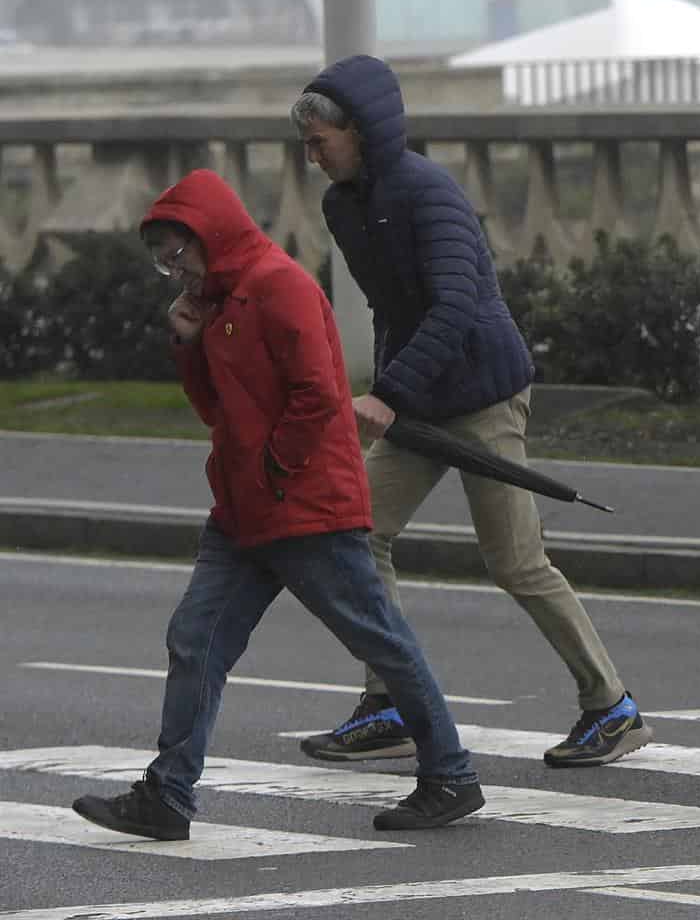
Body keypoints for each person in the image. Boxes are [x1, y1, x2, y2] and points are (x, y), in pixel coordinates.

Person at [71, 170, 484, 841]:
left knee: (378, 636)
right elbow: (215, 410)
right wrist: (187, 343)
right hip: (244, 509)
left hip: (304, 507)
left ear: (215, 234)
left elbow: (318, 396)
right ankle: (167, 795)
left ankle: (451, 775)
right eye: (163, 260)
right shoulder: (220, 301)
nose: (175, 270)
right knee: (195, 640)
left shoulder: (277, 284)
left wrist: (273, 466)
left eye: (181, 254)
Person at [290, 54, 646, 767]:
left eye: (319, 142)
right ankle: (390, 698)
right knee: (358, 533)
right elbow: (391, 304)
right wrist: (393, 386)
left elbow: (457, 304)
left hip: (484, 397)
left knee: (515, 562)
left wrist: (387, 393)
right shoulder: (343, 205)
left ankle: (612, 707)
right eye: (305, 145)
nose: (311, 157)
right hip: (419, 401)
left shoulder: (430, 193)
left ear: (360, 132)